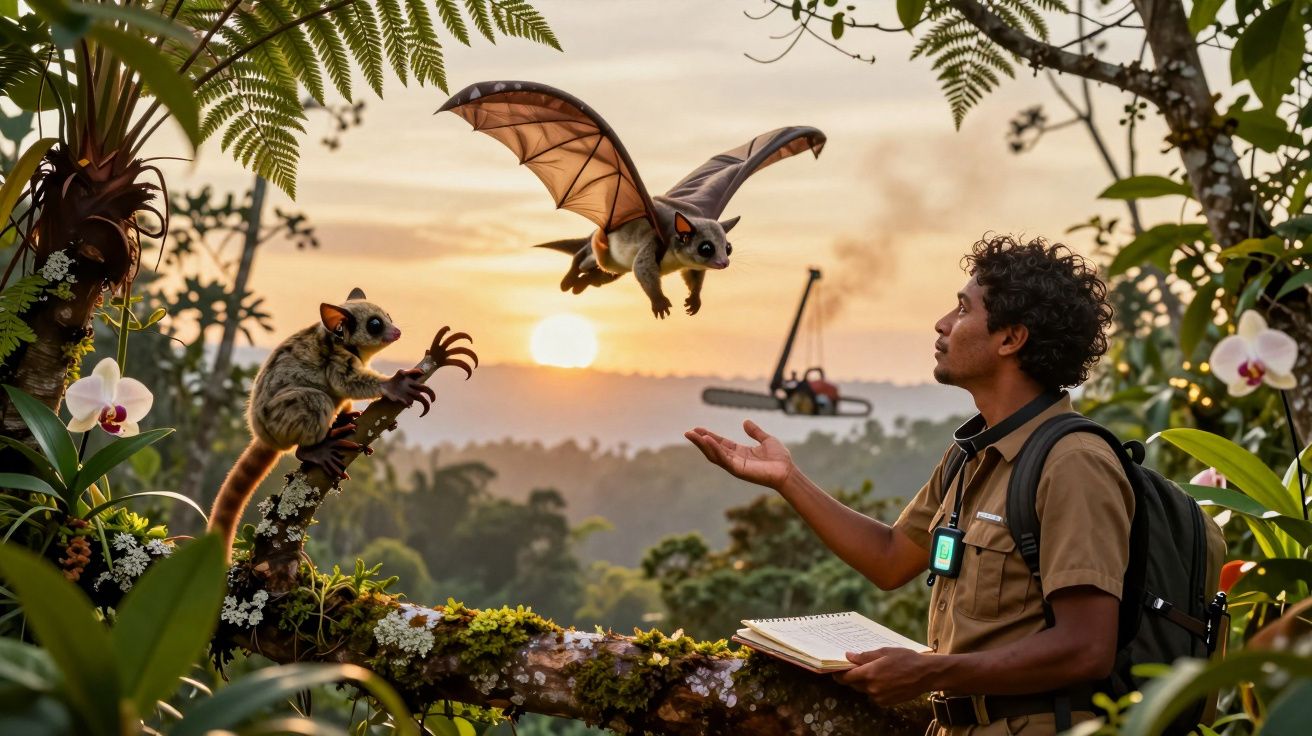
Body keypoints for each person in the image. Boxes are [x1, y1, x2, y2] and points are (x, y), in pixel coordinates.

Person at [686, 236, 1128, 735]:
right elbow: (892, 556)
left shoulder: (1074, 463)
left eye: (962, 309)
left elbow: (1087, 647)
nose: (941, 324)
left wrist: (929, 671)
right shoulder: (970, 457)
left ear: (1010, 339)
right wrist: (788, 480)